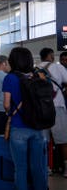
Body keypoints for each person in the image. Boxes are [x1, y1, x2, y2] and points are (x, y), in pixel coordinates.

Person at [2, 47, 47, 190]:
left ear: (13, 61)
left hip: (19, 128)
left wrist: (11, 112)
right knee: (39, 169)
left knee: (20, 169)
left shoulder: (11, 78)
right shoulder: (37, 76)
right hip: (38, 129)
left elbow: (6, 104)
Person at [39, 48, 67, 177]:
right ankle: (66, 168)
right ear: (51, 56)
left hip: (41, 109)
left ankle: (45, 168)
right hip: (57, 107)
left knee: (43, 141)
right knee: (63, 140)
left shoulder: (36, 69)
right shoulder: (58, 68)